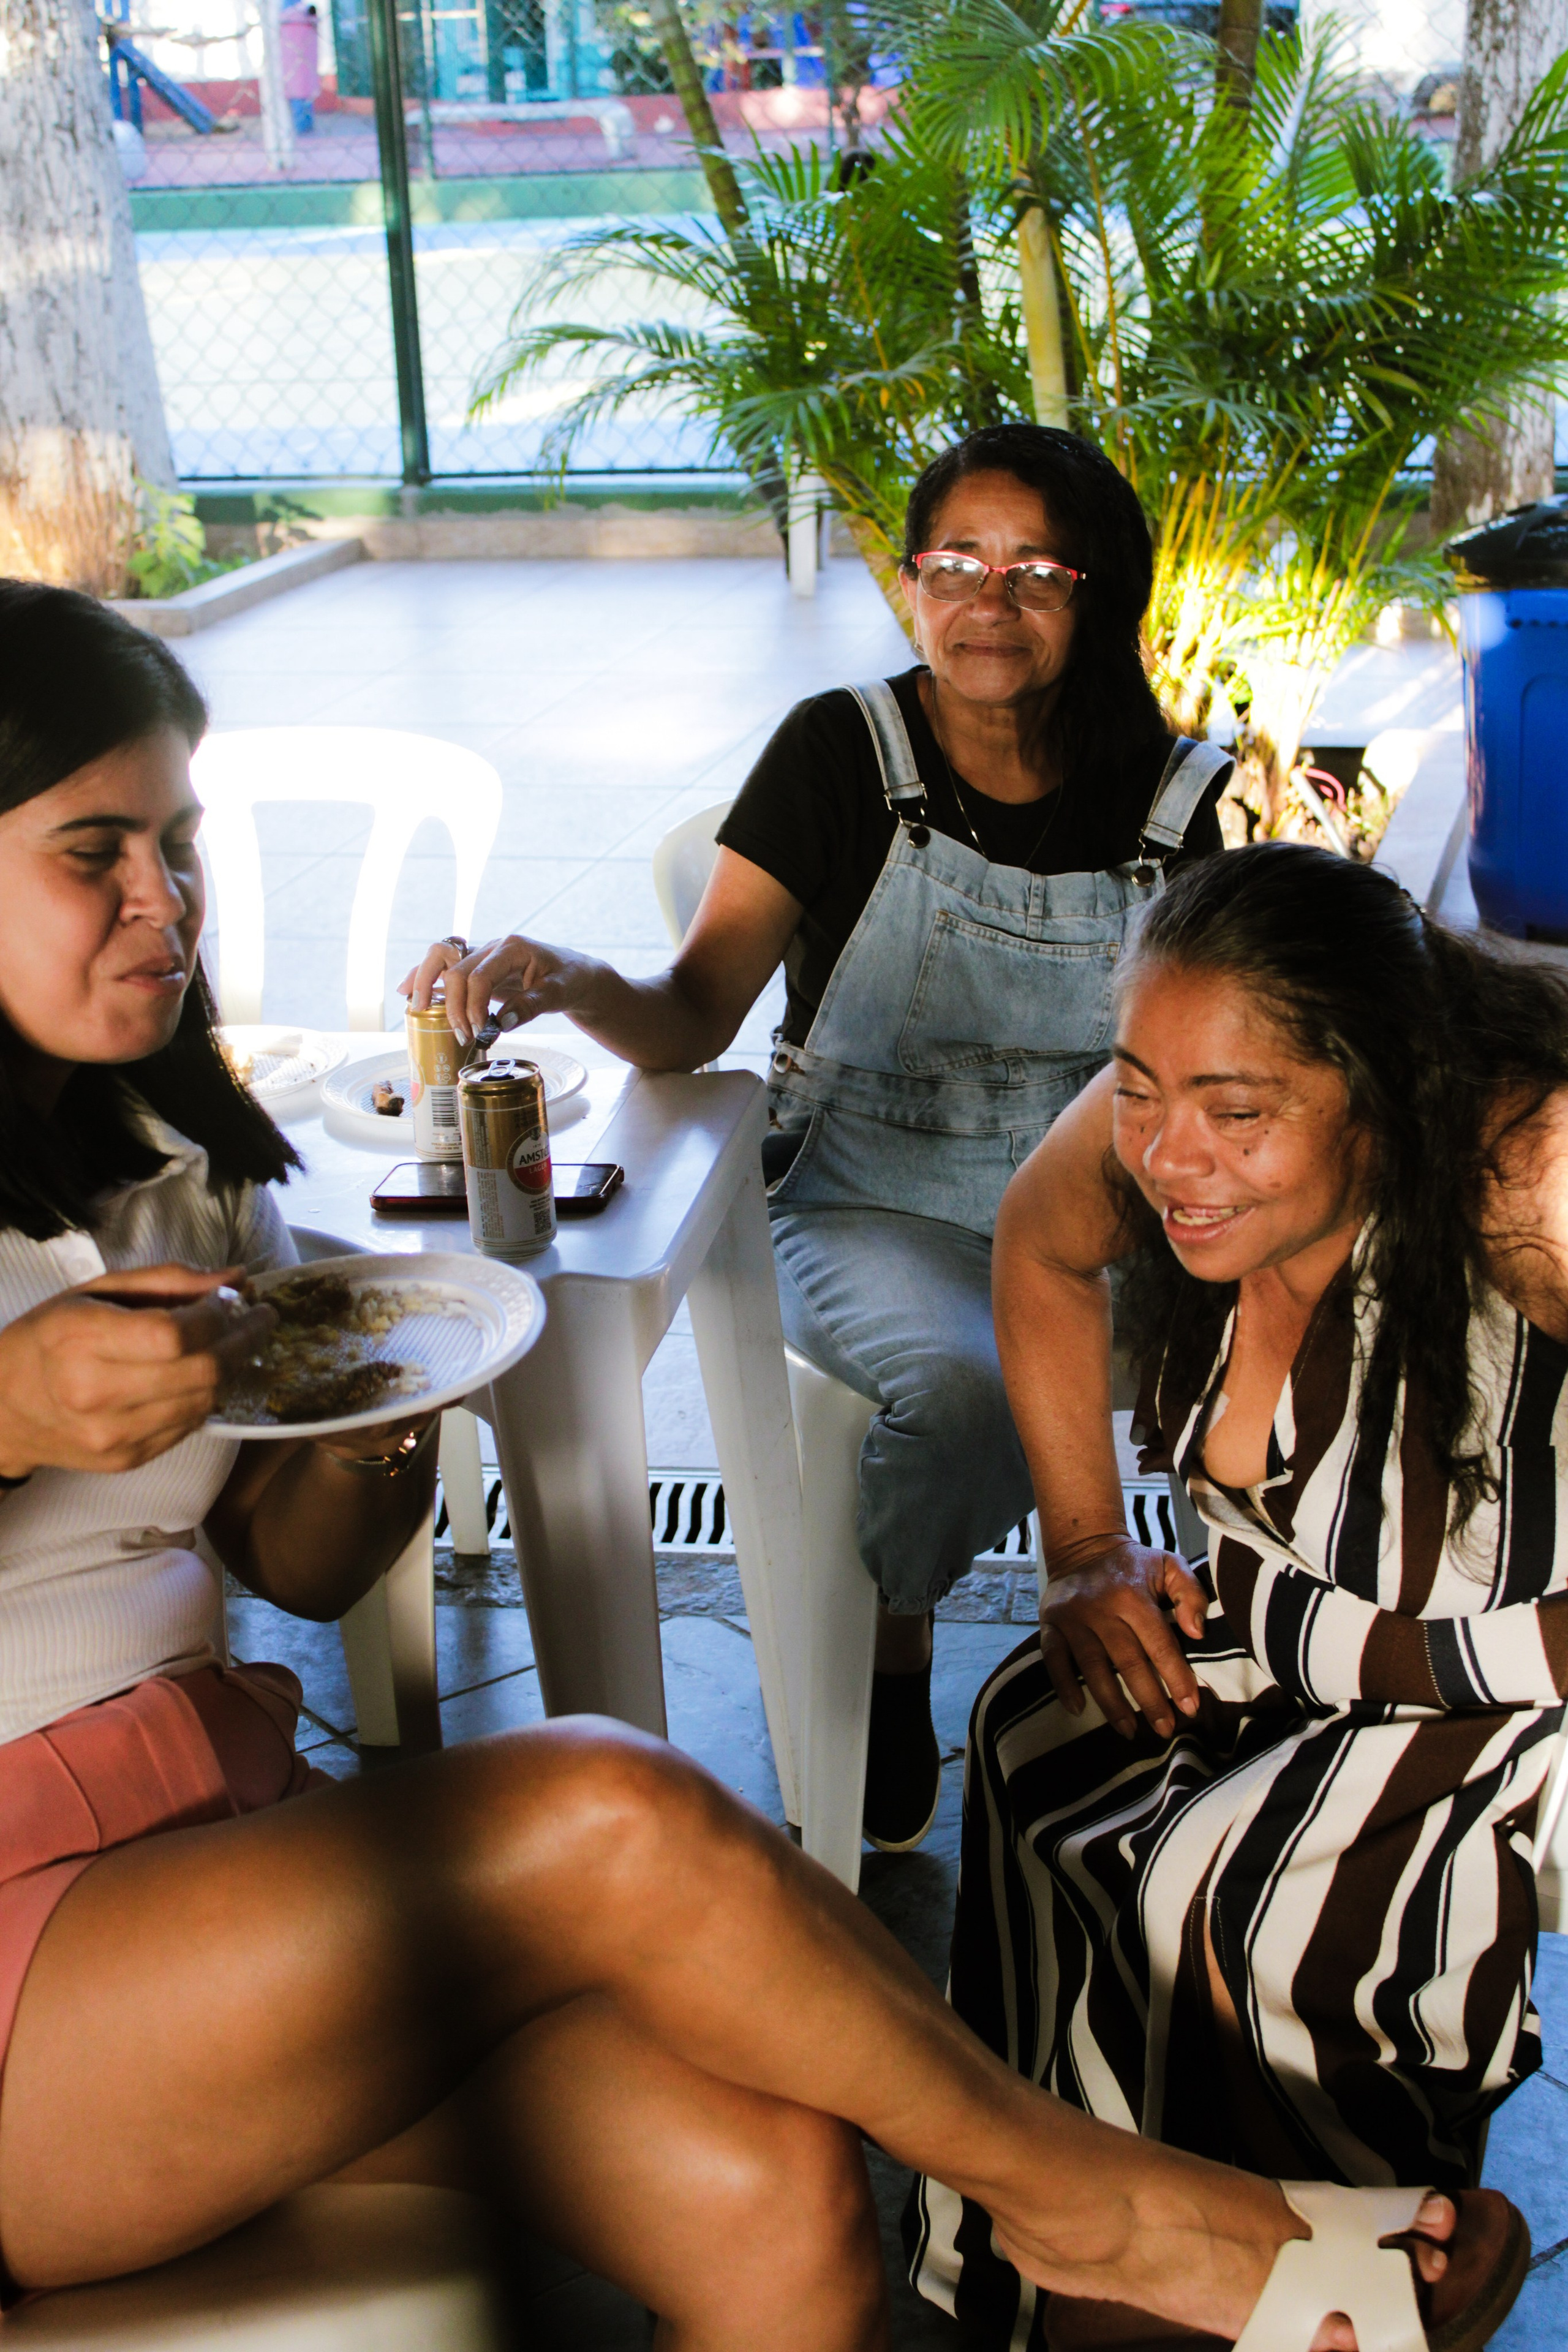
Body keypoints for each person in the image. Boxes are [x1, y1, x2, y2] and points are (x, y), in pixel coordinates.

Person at [0, 589, 1532, 2352]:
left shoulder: (176, 1160)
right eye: (91, 852)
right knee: (601, 1802)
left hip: (207, 1879)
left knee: (774, 2188)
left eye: (179, 844)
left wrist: (376, 1407)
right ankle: (1097, 2207)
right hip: (32, 1983)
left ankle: (1074, 2207)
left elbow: (301, 1564)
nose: (164, 901)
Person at [407, 423, 1231, 1853]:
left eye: (1034, 570)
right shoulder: (841, 753)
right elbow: (688, 1014)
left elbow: (1221, 1052)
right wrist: (560, 976)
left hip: (1106, 1202)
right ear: (910, 582)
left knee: (1290, 1331)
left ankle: (1252, 1651)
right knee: (964, 1391)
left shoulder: (1173, 795)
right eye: (955, 564)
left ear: (1097, 592)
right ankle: (894, 1640)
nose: (988, 600)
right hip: (867, 1195)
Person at [910, 842, 1568, 2346]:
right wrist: (1083, 1546)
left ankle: (1367, 2285)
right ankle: (1055, 2268)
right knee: (1037, 1729)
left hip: (1479, 1701)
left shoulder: (1517, 1174)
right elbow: (1039, 1239)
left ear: (1383, 1081)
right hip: (1267, 1649)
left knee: (1216, 1892)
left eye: (1236, 1114)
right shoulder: (1178, 1080)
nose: (1165, 1155)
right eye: (1139, 1090)